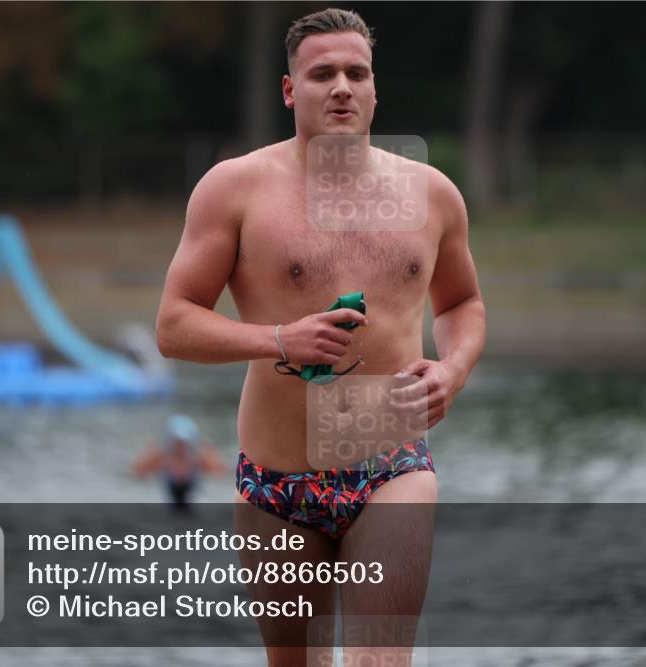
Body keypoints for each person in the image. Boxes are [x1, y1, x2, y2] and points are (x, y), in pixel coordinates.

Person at [156, 8, 484, 665]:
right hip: (278, 483)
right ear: (289, 90)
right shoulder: (234, 190)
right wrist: (278, 338)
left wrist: (453, 369)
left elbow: (463, 303)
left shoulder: (431, 193)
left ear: (373, 90)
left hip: (392, 469)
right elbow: (174, 322)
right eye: (322, 73)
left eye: (355, 72)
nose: (341, 86)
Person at [132, 414, 224, 511]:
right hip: (168, 508)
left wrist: (211, 453)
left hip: (191, 508)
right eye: (176, 443)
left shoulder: (199, 459)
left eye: (184, 443)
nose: (180, 447)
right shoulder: (161, 458)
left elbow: (221, 474)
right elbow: (137, 473)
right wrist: (150, 453)